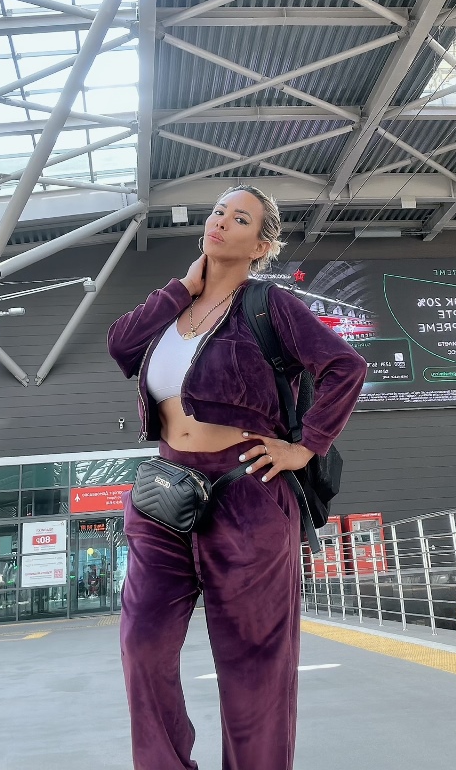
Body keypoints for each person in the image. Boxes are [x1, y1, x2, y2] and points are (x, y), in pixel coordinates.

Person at [107, 184, 366, 770]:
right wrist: (180, 288)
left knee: (254, 666)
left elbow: (345, 366)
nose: (221, 220)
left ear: (261, 245)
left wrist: (306, 446)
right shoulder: (173, 309)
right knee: (142, 645)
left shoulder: (270, 305)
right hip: (164, 494)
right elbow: (120, 345)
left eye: (240, 217)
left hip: (246, 490)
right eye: (218, 211)